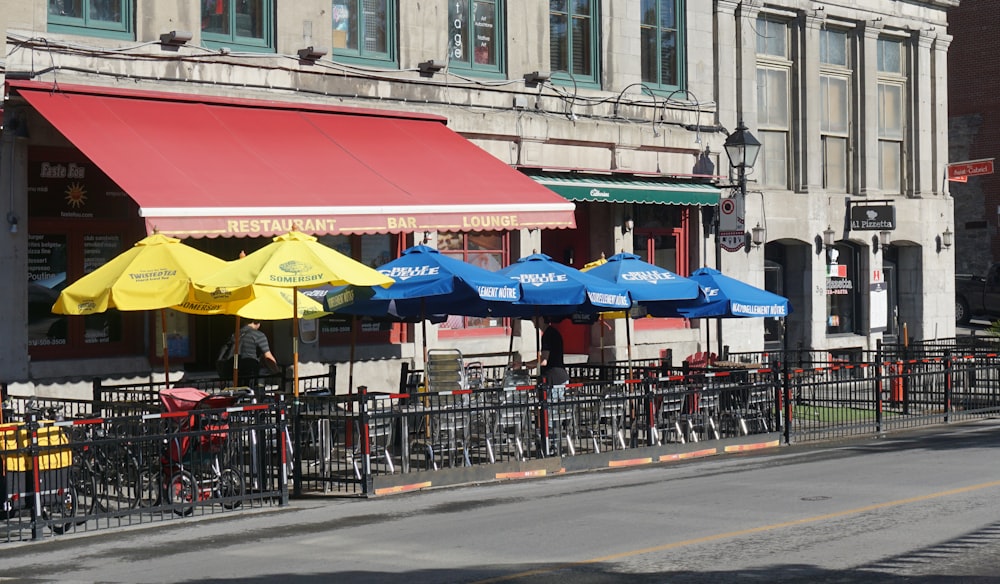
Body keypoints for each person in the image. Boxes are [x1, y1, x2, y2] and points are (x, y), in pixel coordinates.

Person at [522, 316, 569, 387]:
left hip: (553, 379)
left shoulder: (547, 335)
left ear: (541, 319)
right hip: (558, 377)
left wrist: (524, 364)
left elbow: (543, 361)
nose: (532, 321)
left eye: (534, 318)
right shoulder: (552, 332)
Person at [236, 320, 279, 390]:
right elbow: (268, 357)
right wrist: (278, 374)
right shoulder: (258, 335)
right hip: (251, 374)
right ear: (257, 323)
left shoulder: (236, 334)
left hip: (234, 373)